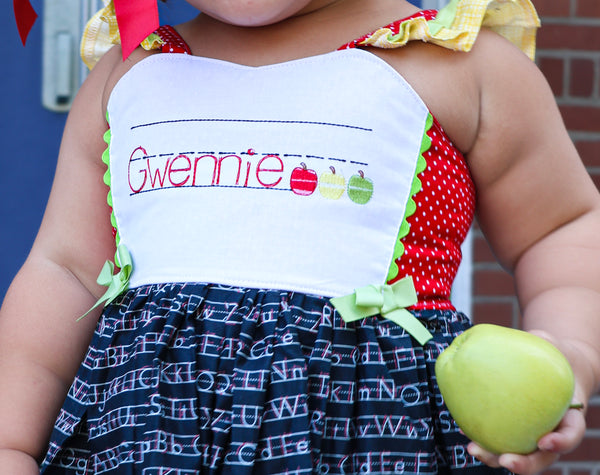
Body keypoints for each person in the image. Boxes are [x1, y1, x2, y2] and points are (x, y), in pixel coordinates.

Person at [3, 0, 600, 473]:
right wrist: (11, 442)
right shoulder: (131, 72)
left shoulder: (462, 66)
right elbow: (68, 269)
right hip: (145, 439)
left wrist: (571, 355)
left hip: (374, 440)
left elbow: (560, 228)